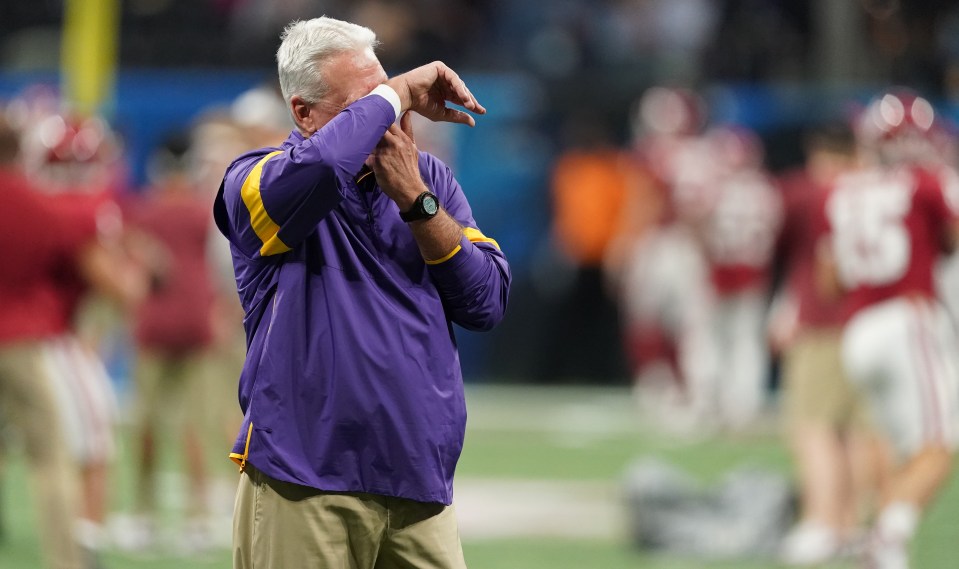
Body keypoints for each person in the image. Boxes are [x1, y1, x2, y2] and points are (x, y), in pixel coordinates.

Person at [213, 16, 510, 569]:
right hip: (304, 477)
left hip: (418, 479)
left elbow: (486, 301)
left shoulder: (430, 181)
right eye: (367, 105)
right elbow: (323, 164)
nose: (391, 119)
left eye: (388, 96)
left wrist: (418, 203)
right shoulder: (254, 181)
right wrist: (396, 90)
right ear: (303, 112)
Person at [820, 90, 959, 569]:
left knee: (899, 448)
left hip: (858, 329)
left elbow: (830, 278)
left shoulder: (846, 189)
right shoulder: (926, 182)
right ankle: (886, 539)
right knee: (940, 448)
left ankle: (884, 545)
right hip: (908, 318)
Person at [0, 113, 145, 569]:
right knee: (59, 454)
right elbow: (110, 280)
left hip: (42, 337)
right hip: (34, 341)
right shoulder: (41, 205)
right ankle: (74, 554)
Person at [771, 123, 882, 565]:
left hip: (824, 323)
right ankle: (858, 524)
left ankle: (826, 522)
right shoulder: (888, 189)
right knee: (861, 431)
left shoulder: (806, 193)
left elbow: (794, 253)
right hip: (879, 322)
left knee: (815, 428)